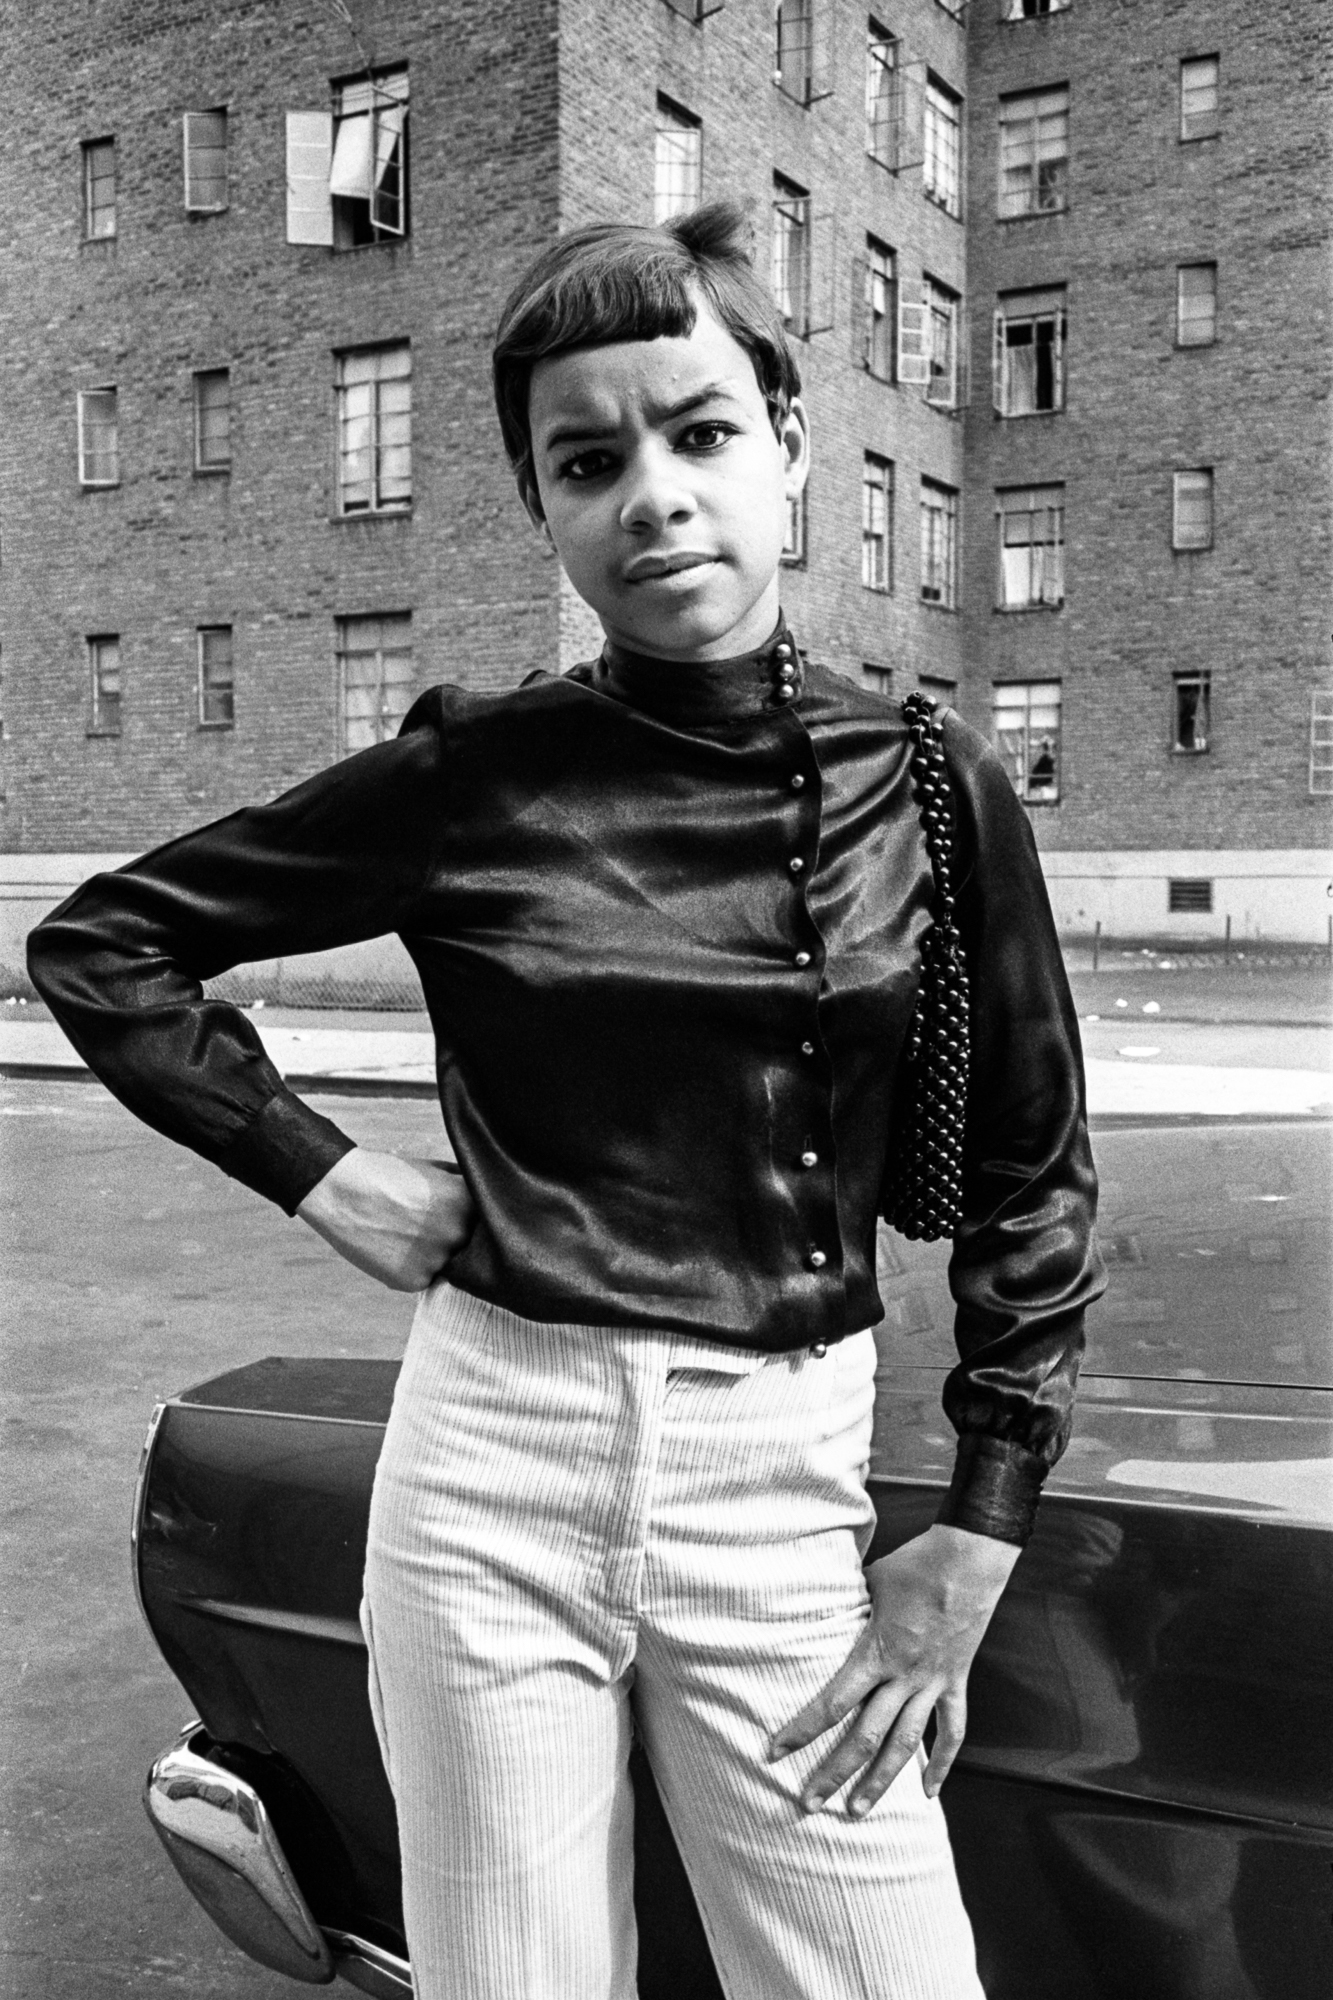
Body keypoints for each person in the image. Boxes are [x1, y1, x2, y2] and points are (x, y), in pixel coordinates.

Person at [28, 202, 1103, 2000]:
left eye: (695, 435)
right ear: (543, 505)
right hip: (491, 1466)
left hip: (775, 1477)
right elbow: (107, 945)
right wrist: (323, 1175)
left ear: (786, 444)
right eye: (587, 461)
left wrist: (980, 1526)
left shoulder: (925, 780)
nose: (654, 497)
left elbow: (1030, 1168)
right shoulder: (478, 770)